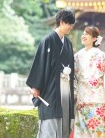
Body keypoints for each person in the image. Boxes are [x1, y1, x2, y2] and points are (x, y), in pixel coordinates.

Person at [26, 9, 76, 138]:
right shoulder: (47, 40)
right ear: (61, 22)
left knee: (65, 121)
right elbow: (40, 63)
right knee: (50, 121)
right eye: (69, 23)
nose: (71, 27)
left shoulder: (68, 44)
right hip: (51, 89)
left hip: (66, 89)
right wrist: (35, 87)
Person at [74, 26, 105, 138]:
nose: (83, 36)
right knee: (82, 130)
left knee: (97, 130)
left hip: (97, 98)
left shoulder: (100, 55)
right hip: (82, 98)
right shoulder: (77, 56)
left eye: (87, 34)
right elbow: (73, 75)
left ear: (94, 38)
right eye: (83, 33)